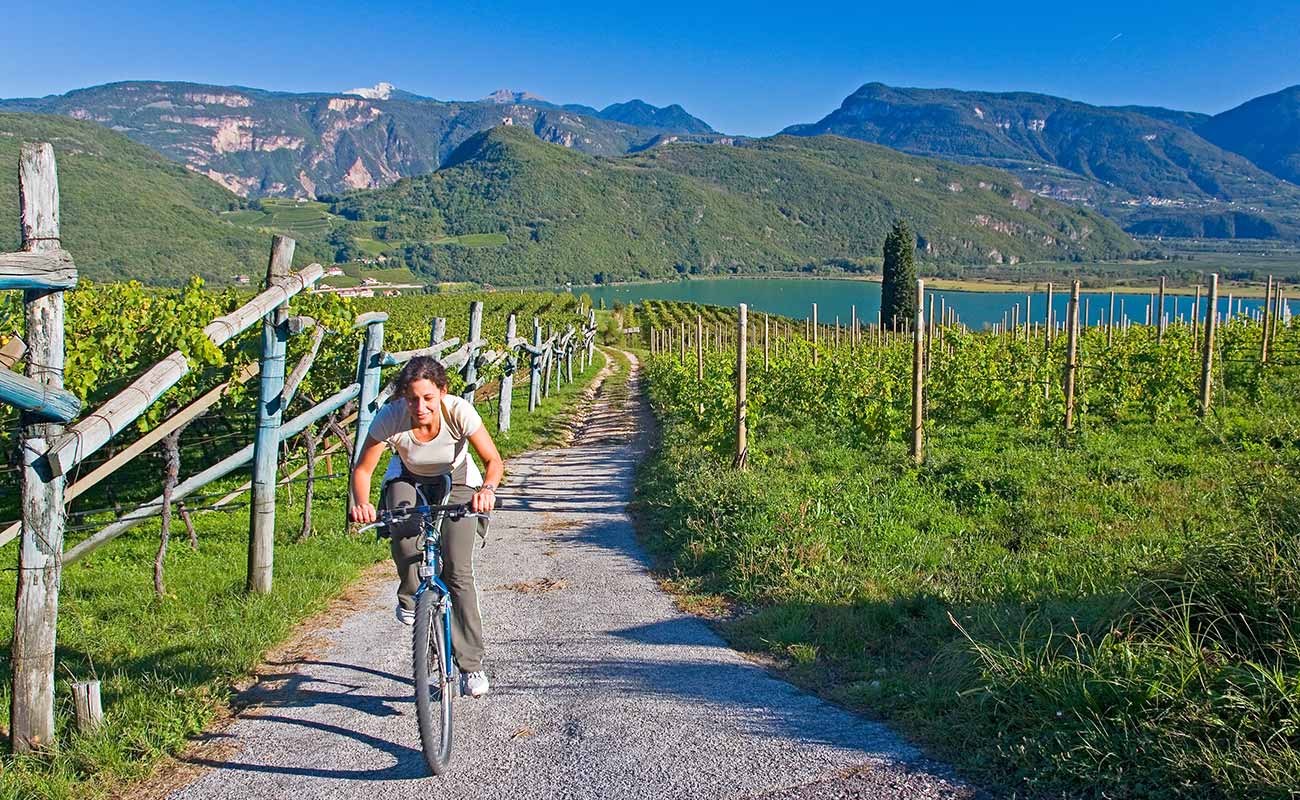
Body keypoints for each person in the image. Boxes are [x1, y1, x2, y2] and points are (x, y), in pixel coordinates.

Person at [349, 356, 503, 699]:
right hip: (409, 477)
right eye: (413, 398)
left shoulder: (459, 412)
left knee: (458, 570)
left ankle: (470, 663)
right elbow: (363, 470)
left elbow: (493, 461)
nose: (420, 406)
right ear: (404, 397)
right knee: (403, 531)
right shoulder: (391, 417)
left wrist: (487, 492)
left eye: (428, 398)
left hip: (457, 481)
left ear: (442, 393)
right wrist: (362, 503)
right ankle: (410, 593)